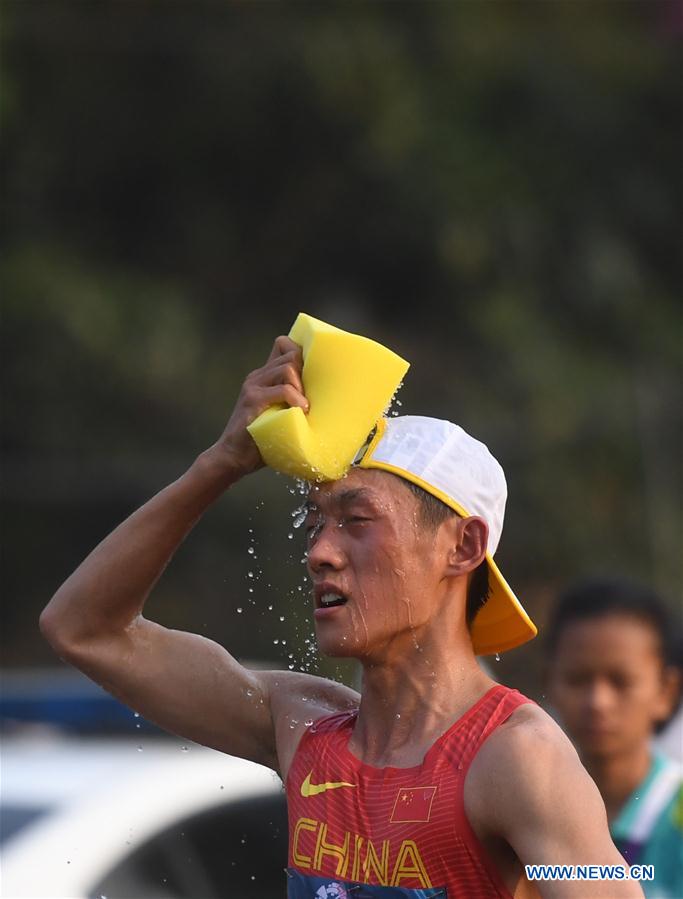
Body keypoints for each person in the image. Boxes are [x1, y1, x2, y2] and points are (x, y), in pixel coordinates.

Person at [41, 335, 644, 898]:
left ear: (462, 547)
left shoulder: (518, 760)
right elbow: (85, 630)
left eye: (357, 522)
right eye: (314, 523)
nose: (319, 552)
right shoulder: (303, 728)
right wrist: (222, 461)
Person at [546, 577, 682, 899]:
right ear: (549, 681)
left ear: (666, 691)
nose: (598, 701)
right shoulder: (527, 806)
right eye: (578, 680)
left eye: (620, 682)